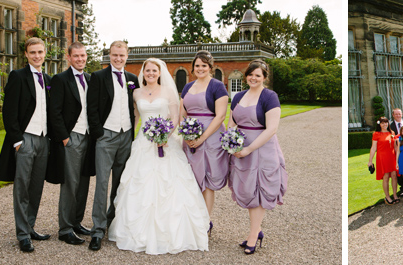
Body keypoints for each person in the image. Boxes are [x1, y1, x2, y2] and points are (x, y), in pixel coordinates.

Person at [107, 58, 209, 255]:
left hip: (165, 143)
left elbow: (175, 118)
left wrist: (165, 136)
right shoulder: (136, 93)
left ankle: (173, 231)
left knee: (170, 186)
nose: (151, 73)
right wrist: (132, 138)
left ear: (160, 72)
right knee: (138, 184)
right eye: (148, 71)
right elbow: (135, 116)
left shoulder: (169, 91)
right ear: (143, 73)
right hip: (143, 144)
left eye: (154, 70)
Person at [0, 37, 52, 252]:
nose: (37, 56)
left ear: (44, 53)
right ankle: (22, 234)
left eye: (40, 52)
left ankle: (30, 226)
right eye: (33, 52)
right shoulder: (17, 76)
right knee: (22, 188)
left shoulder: (47, 78)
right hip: (25, 138)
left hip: (44, 140)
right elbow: (8, 112)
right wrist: (18, 141)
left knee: (36, 187)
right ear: (26, 54)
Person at [228, 59, 289, 254]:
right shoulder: (238, 97)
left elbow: (272, 128)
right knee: (247, 190)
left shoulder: (269, 97)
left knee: (259, 190)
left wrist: (249, 149)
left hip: (262, 149)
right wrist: (232, 143)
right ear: (246, 76)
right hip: (241, 148)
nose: (253, 78)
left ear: (264, 77)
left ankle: (253, 235)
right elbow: (231, 124)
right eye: (250, 74)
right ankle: (258, 230)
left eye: (258, 75)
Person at [86, 40, 140, 251]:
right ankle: (97, 230)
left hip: (126, 136)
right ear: (110, 55)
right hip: (105, 137)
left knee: (120, 182)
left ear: (127, 56)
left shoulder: (132, 79)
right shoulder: (98, 77)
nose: (118, 58)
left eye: (122, 55)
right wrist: (99, 134)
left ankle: (113, 223)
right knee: (101, 184)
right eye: (114, 55)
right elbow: (91, 108)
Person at [47, 42, 94, 245]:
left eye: (83, 56)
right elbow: (54, 111)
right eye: (76, 56)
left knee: (84, 181)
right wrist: (65, 137)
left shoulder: (91, 79)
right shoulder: (60, 79)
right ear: (69, 57)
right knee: (70, 183)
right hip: (71, 137)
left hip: (88, 136)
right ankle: (65, 229)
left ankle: (76, 222)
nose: (80, 59)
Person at [179, 50, 230, 234]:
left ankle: (205, 221)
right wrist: (186, 135)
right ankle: (194, 217)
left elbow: (220, 116)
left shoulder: (217, 86)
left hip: (211, 138)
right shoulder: (187, 87)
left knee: (207, 179)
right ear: (193, 68)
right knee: (192, 178)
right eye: (197, 65)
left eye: (204, 65)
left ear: (210, 67)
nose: (200, 68)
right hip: (190, 138)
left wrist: (201, 138)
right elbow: (182, 113)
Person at [368, 117, 398, 205]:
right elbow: (373, 148)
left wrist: (397, 158)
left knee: (394, 175)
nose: (385, 125)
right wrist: (370, 161)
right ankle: (387, 196)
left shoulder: (392, 133)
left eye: (386, 123)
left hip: (392, 156)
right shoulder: (376, 134)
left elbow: (395, 147)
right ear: (379, 124)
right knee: (385, 177)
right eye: (382, 123)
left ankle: (395, 195)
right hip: (382, 157)